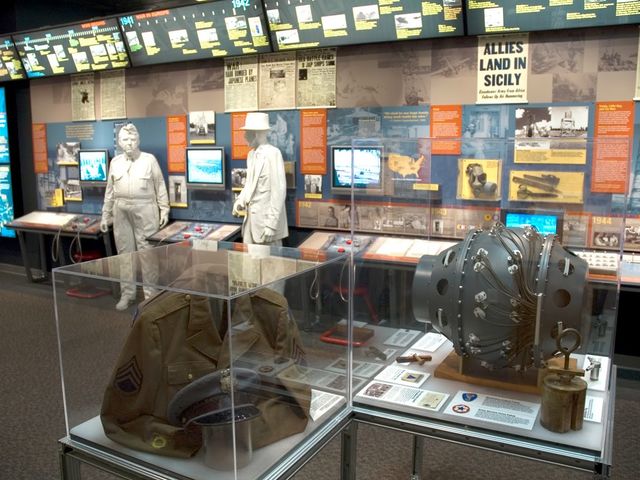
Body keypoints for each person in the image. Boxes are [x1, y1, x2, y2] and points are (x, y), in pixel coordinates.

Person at [100, 123, 170, 310]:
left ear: (138, 140)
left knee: (148, 253)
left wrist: (164, 209)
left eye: (132, 139)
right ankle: (127, 293)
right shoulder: (115, 163)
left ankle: (150, 295)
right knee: (125, 253)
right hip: (121, 209)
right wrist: (105, 214)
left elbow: (160, 185)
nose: (129, 143)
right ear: (119, 142)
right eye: (125, 139)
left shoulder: (149, 160)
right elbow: (110, 191)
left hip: (145, 208)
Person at [232, 112, 288, 245]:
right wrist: (240, 200)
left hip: (266, 226)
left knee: (271, 259)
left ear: (256, 134)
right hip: (250, 224)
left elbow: (279, 191)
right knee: (248, 258)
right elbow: (249, 184)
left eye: (247, 132)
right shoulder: (251, 155)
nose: (244, 136)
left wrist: (271, 225)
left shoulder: (273, 154)